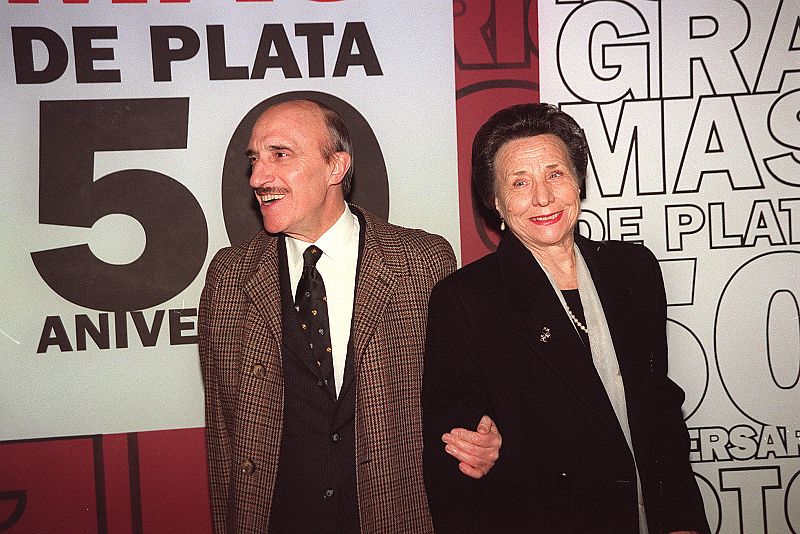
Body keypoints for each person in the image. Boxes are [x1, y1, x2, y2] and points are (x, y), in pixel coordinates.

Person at [198, 99, 500, 534]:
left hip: (393, 517)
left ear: (336, 167)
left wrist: (488, 435)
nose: (258, 177)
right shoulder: (230, 277)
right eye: (254, 160)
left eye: (279, 155)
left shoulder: (421, 262)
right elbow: (223, 436)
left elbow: (462, 393)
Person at [422, 103, 710, 534]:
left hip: (646, 513)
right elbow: (460, 458)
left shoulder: (633, 270)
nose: (543, 197)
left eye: (555, 174)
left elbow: (659, 409)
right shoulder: (466, 299)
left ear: (578, 181)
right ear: (496, 201)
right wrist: (486, 449)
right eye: (520, 182)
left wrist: (682, 520)